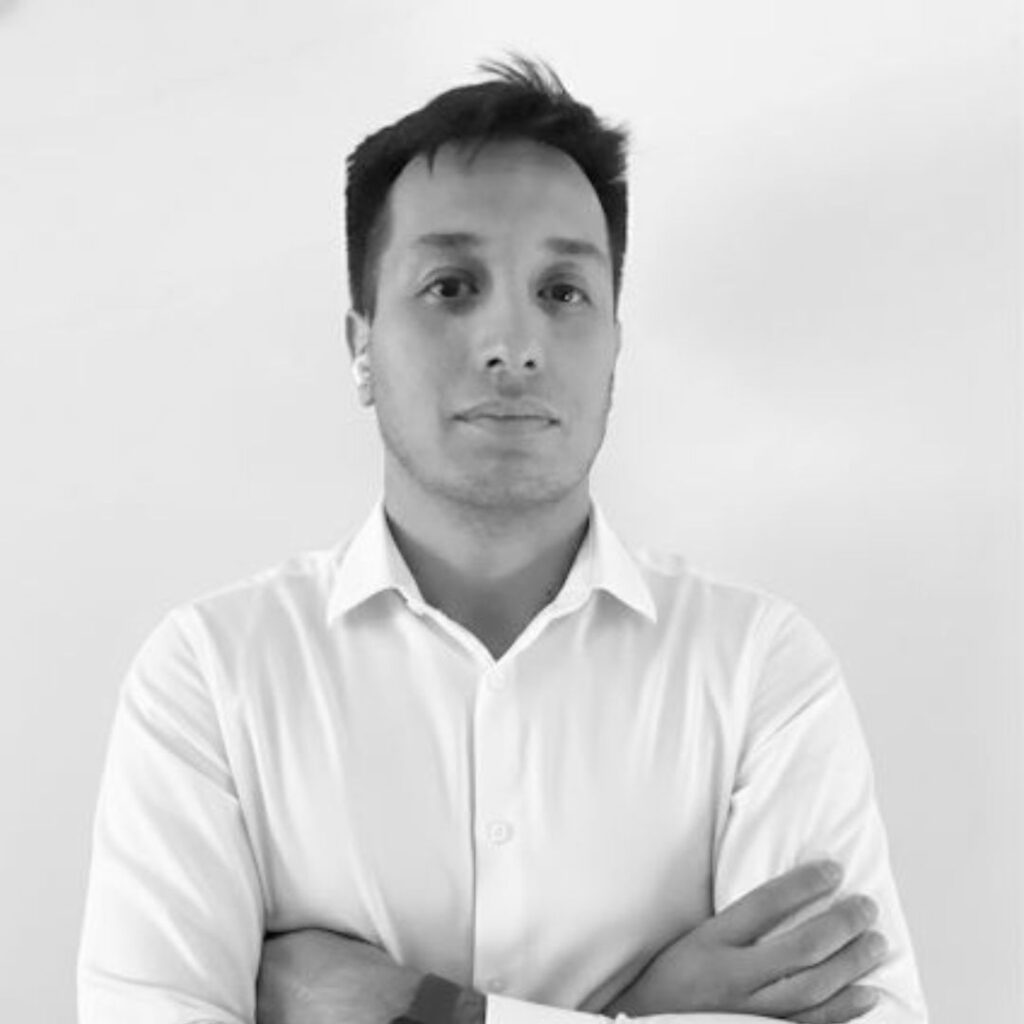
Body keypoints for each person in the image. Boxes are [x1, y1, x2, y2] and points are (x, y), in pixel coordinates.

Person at [77, 55, 928, 1024]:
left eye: (563, 291)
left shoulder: (757, 671)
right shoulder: (213, 675)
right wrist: (643, 1010)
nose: (513, 345)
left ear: (614, 343)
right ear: (361, 345)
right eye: (451, 285)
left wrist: (415, 1008)